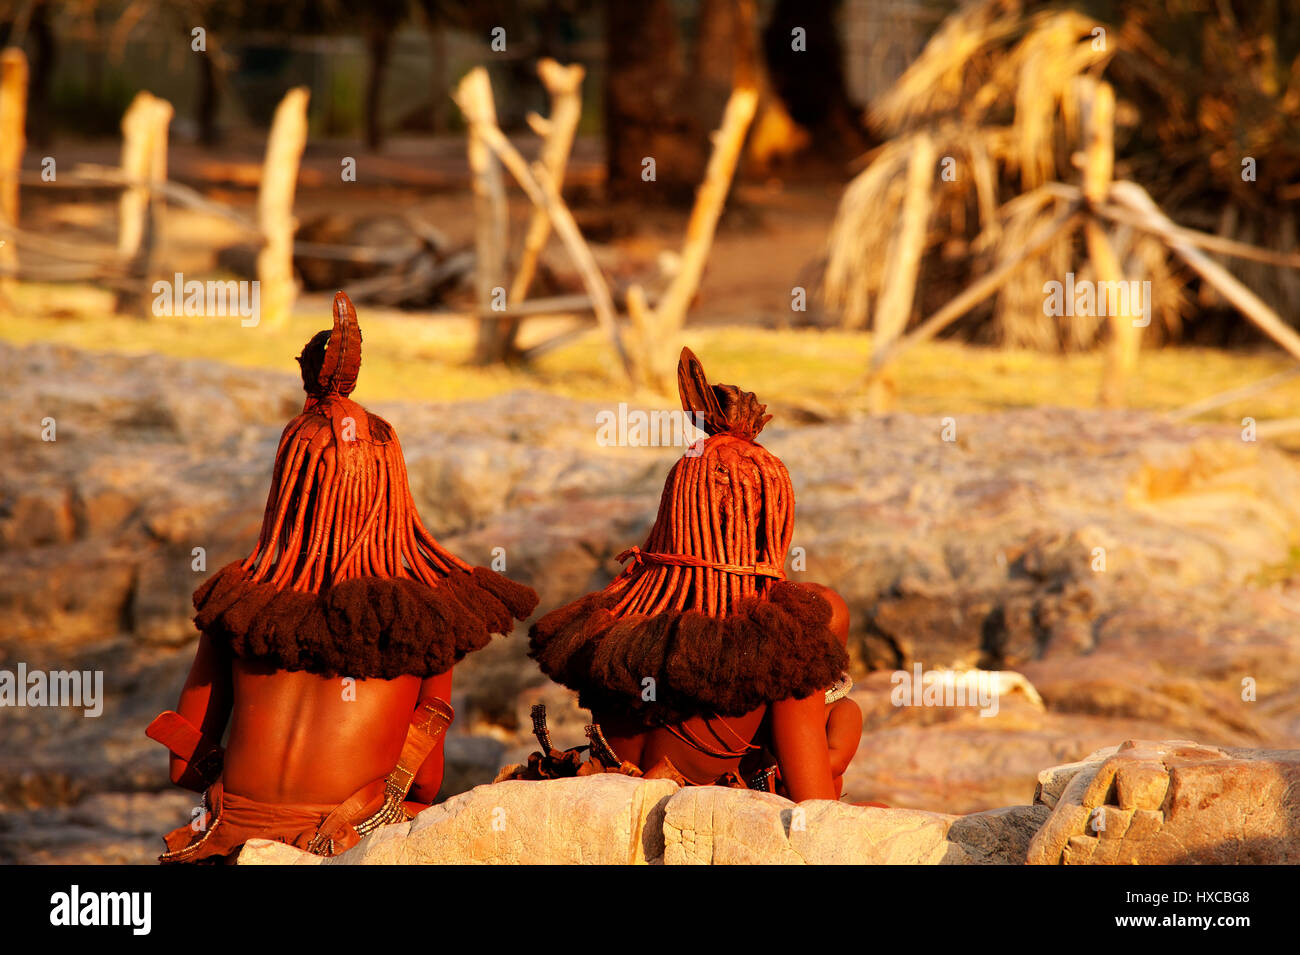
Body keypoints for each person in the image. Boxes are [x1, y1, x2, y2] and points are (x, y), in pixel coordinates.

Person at [149, 292, 537, 863]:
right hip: (349, 846)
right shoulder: (426, 619)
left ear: (289, 486)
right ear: (390, 489)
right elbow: (424, 785)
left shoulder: (238, 605)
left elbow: (183, 763)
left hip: (231, 848)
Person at [509, 348, 848, 801]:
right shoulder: (783, 637)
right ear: (770, 515)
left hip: (607, 784)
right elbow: (815, 810)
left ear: (676, 509)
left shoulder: (610, 620)